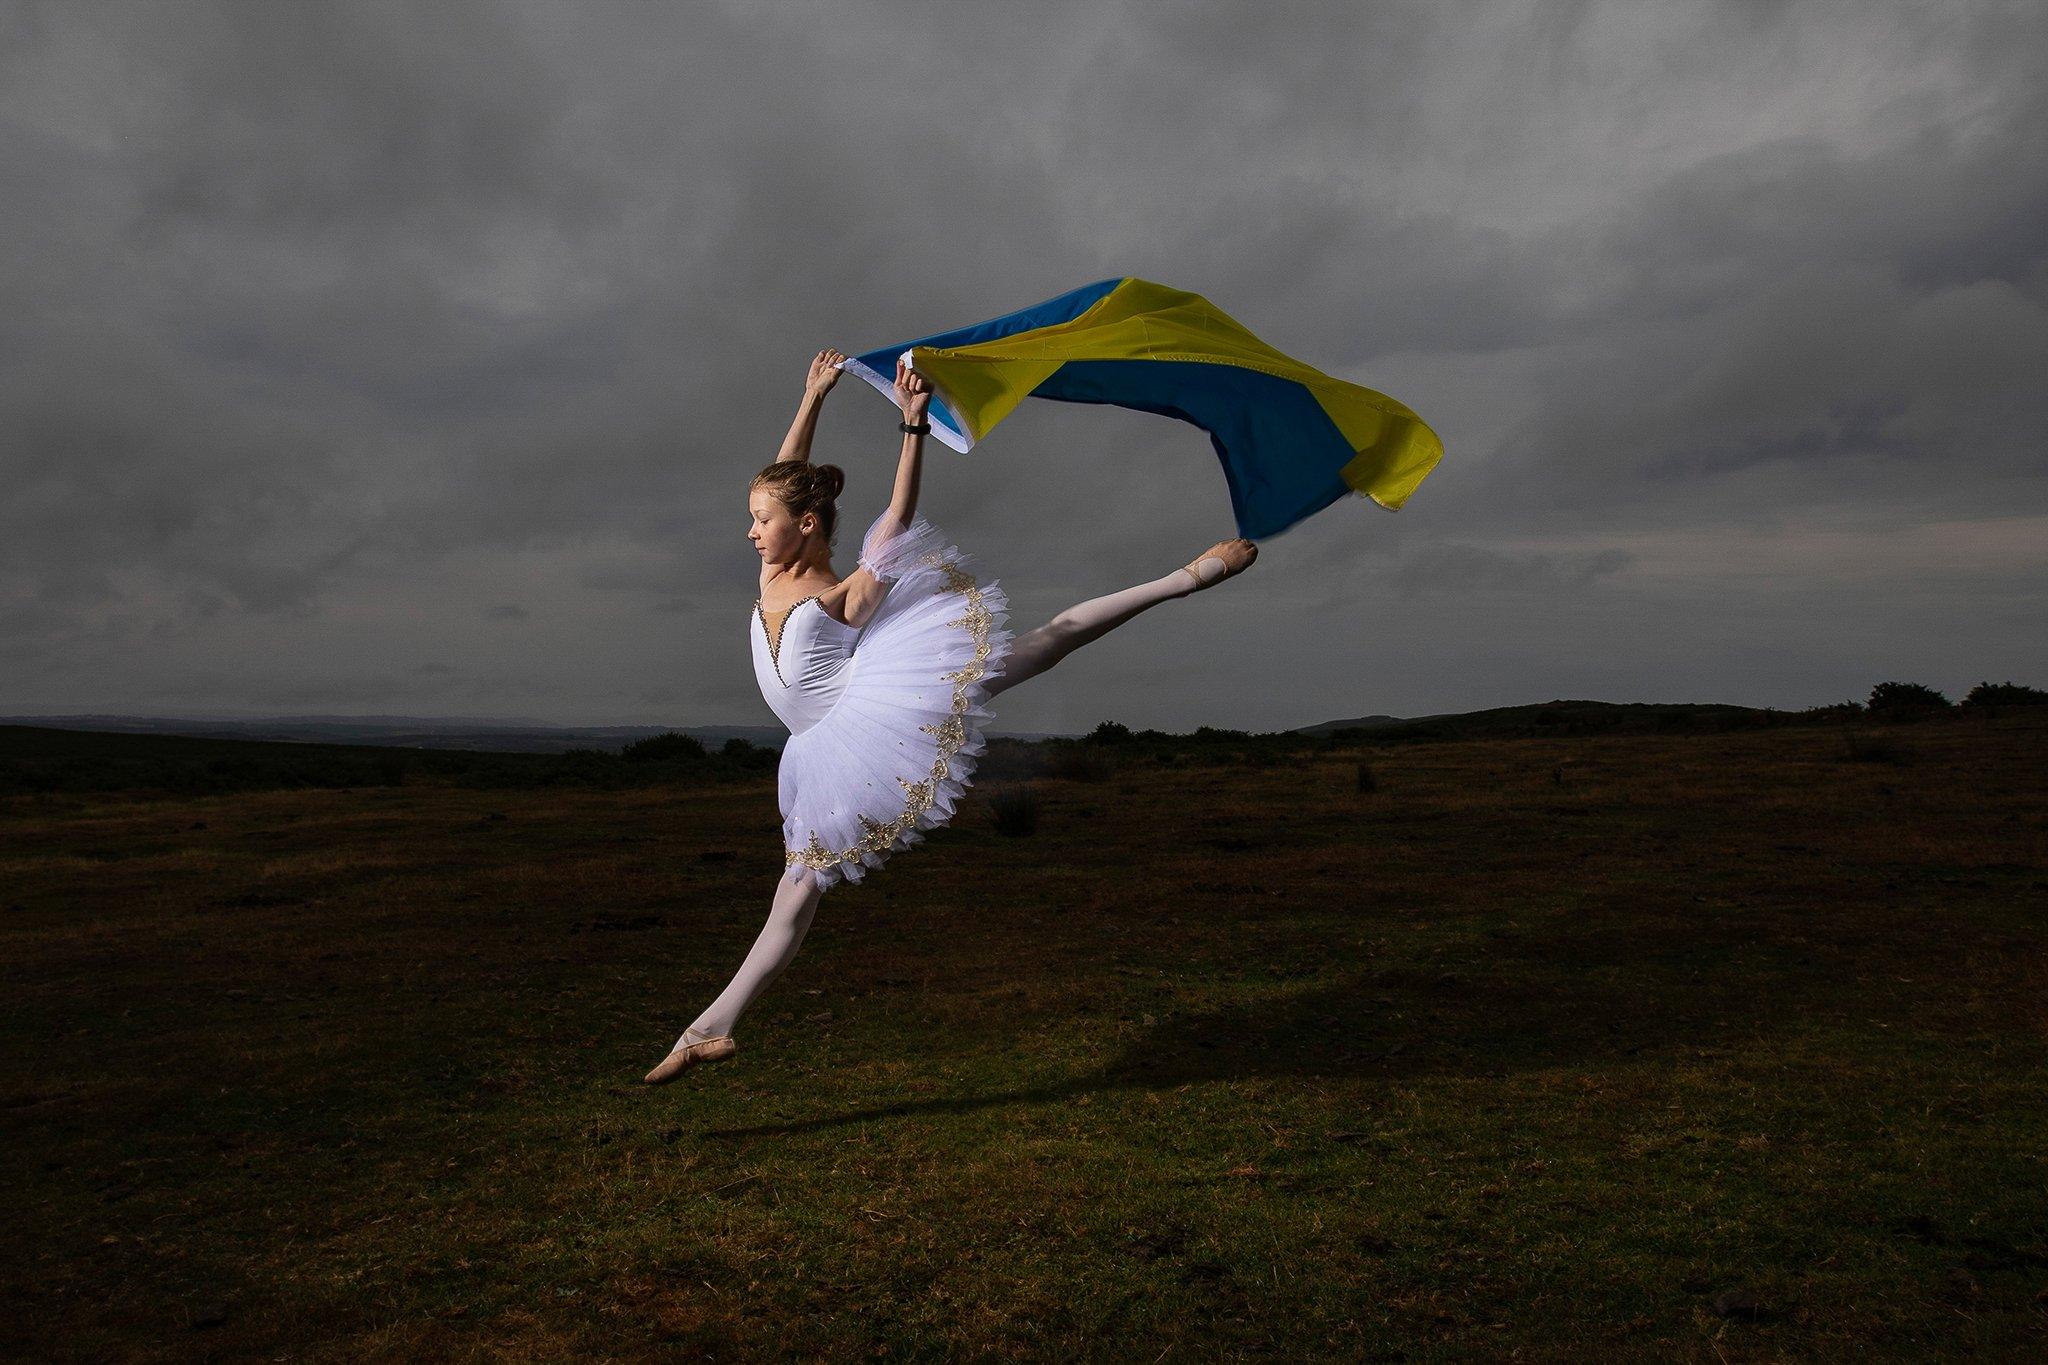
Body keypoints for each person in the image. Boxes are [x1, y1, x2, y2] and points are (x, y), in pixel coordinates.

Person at [645, 348, 1257, 1083]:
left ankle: (1183, 579)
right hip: (814, 747)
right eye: (753, 518)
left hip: (874, 712)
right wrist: (813, 397)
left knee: (1043, 645)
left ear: (805, 525)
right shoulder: (772, 566)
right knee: (796, 895)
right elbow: (783, 476)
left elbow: (896, 517)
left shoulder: (848, 593)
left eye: (761, 521)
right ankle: (708, 1027)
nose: (750, 530)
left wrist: (913, 426)